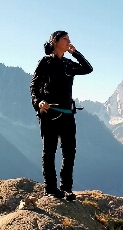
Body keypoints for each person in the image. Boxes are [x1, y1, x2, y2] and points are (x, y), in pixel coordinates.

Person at [30, 30, 93, 201]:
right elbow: (34, 86)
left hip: (67, 114)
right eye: (65, 39)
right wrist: (39, 102)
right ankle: (50, 188)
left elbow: (88, 69)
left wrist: (75, 53)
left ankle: (66, 189)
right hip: (49, 114)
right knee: (49, 151)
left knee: (69, 152)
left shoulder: (67, 64)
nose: (68, 41)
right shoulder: (45, 62)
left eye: (69, 39)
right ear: (55, 41)